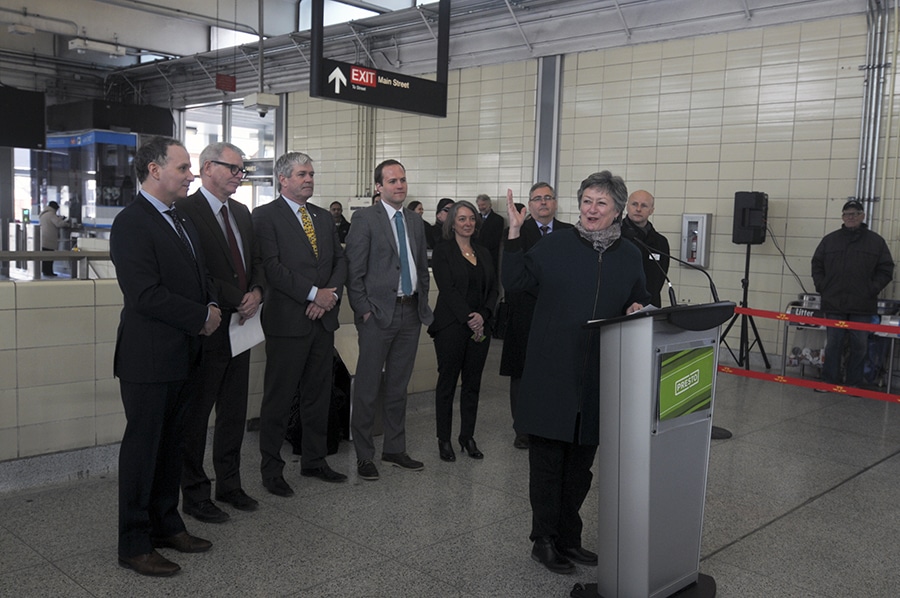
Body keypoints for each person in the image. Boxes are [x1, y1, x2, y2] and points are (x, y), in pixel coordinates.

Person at [502, 171, 649, 575]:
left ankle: (569, 536)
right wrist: (513, 234)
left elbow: (640, 295)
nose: (591, 209)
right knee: (547, 464)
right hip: (553, 371)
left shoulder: (630, 254)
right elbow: (514, 281)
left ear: (617, 210)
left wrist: (637, 306)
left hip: (599, 376)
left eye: (601, 203)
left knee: (580, 468)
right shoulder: (556, 245)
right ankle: (544, 540)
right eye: (586, 201)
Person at [110, 136, 221, 577]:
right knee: (143, 452)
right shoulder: (131, 223)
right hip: (150, 359)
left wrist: (210, 305)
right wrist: (200, 317)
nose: (191, 175)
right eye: (183, 168)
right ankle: (134, 543)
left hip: (185, 353)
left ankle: (166, 524)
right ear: (154, 170)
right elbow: (144, 294)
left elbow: (200, 274)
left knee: (172, 446)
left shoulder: (181, 218)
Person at [177, 142, 264, 523]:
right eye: (232, 168)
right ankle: (195, 494)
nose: (238, 175)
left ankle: (230, 484)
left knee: (233, 411)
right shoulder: (186, 211)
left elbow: (256, 261)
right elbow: (195, 271)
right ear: (207, 168)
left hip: (243, 325)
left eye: (241, 170)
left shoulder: (242, 212)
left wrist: (257, 292)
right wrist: (236, 297)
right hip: (209, 327)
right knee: (197, 416)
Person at [252, 152, 349, 496]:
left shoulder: (322, 217)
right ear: (283, 179)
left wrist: (328, 297)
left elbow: (340, 260)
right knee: (278, 400)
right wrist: (312, 294)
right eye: (302, 174)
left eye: (311, 174)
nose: (309, 179)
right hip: (287, 322)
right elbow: (272, 268)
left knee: (318, 396)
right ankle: (271, 470)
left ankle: (314, 460)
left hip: (322, 322)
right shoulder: (265, 216)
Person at [345, 159, 434, 481]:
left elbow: (420, 266)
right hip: (378, 314)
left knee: (398, 387)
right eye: (393, 181)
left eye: (403, 180)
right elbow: (353, 271)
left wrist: (422, 300)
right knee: (368, 388)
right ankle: (364, 455)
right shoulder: (365, 218)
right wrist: (364, 310)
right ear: (378, 186)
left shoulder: (414, 220)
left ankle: (395, 449)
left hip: (410, 312)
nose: (399, 185)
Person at [498, 183, 572, 450]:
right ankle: (523, 429)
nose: (543, 202)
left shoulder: (570, 233)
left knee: (556, 371)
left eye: (547, 198)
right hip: (525, 311)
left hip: (560, 313)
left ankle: (551, 424)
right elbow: (512, 272)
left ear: (555, 203)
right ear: (529, 205)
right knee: (522, 373)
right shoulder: (517, 230)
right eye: (537, 199)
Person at [428, 200, 499, 462]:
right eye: (462, 219)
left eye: (471, 219)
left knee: (473, 384)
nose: (467, 223)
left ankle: (467, 436)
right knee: (447, 384)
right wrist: (470, 318)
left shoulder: (484, 251)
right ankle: (444, 439)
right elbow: (447, 289)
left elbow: (494, 288)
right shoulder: (443, 251)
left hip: (480, 326)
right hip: (451, 326)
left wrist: (484, 315)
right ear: (452, 223)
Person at [811, 199, 893, 388]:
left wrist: (872, 288)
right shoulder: (830, 240)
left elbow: (886, 269)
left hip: (862, 305)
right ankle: (829, 381)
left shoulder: (876, 242)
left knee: (860, 346)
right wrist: (822, 286)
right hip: (834, 303)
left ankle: (854, 384)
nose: (850, 217)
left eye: (855, 213)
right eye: (847, 214)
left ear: (862, 216)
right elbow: (817, 264)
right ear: (842, 217)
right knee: (833, 344)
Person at [621, 189, 670, 308]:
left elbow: (659, 279)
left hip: (649, 306)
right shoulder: (615, 236)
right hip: (620, 308)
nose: (638, 209)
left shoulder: (660, 242)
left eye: (644, 205)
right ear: (627, 207)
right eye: (634, 204)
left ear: (651, 210)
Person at [38, 200, 69, 277]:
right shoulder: (51, 214)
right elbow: (59, 224)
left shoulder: (44, 214)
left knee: (45, 257)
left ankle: (45, 271)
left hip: (43, 238)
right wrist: (67, 224)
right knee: (50, 257)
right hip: (49, 238)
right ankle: (49, 272)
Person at [476, 193, 504, 271]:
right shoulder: (475, 218)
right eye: (479, 205)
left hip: (490, 255)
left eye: (483, 205)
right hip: (476, 255)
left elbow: (495, 240)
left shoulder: (498, 220)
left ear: (490, 205)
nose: (481, 207)